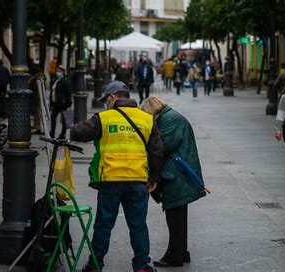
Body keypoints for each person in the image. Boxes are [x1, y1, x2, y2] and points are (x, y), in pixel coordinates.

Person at [71, 80, 163, 272]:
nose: (106, 103)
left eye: (106, 100)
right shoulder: (146, 119)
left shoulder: (103, 118)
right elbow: (156, 152)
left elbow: (77, 132)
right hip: (138, 181)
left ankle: (95, 265)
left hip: (110, 181)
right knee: (138, 226)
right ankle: (141, 266)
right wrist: (153, 179)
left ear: (113, 97)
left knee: (103, 225)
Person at [141, 96, 206, 268]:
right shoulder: (170, 117)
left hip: (176, 175)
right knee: (178, 216)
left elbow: (162, 146)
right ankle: (181, 252)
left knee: (174, 217)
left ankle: (174, 256)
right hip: (177, 173)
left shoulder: (170, 119)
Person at [49, 65, 72, 139]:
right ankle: (52, 132)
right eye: (57, 70)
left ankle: (63, 134)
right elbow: (53, 91)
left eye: (59, 71)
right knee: (53, 117)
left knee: (64, 119)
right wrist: (51, 102)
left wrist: (68, 103)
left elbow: (68, 92)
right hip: (56, 103)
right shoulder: (56, 80)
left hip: (62, 103)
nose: (57, 72)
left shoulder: (65, 81)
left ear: (63, 72)